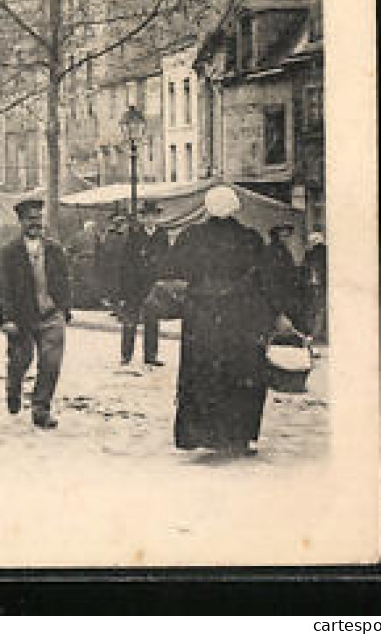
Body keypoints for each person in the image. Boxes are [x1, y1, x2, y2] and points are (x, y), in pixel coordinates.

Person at [169, 186, 299, 456]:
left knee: (202, 371)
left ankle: (202, 433)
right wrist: (276, 313)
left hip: (202, 315)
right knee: (241, 373)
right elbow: (266, 280)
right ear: (235, 207)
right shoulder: (249, 239)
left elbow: (175, 269)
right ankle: (237, 435)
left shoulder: (191, 237)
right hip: (240, 315)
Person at [0, 198, 72, 429]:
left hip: (51, 314)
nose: (35, 224)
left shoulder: (54, 249)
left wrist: (65, 308)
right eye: (30, 219)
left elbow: (65, 280)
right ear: (21, 222)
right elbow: (3, 288)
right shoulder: (10, 252)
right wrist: (7, 319)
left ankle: (41, 409)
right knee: (21, 360)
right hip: (22, 318)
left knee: (51, 364)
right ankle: (13, 385)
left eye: (38, 218)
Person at [119, 202, 170, 368]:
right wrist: (125, 287)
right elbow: (126, 262)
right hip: (134, 284)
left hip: (153, 285)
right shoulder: (134, 235)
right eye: (147, 216)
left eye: (153, 216)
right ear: (142, 218)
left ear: (157, 217)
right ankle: (126, 355)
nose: (150, 219)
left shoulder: (162, 235)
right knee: (130, 320)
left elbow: (166, 259)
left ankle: (150, 356)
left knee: (152, 320)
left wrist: (162, 278)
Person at [304, 230, 327, 343]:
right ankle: (313, 333)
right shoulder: (310, 253)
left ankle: (315, 334)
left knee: (318, 309)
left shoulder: (323, 252)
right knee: (315, 309)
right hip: (313, 285)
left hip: (319, 284)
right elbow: (306, 267)